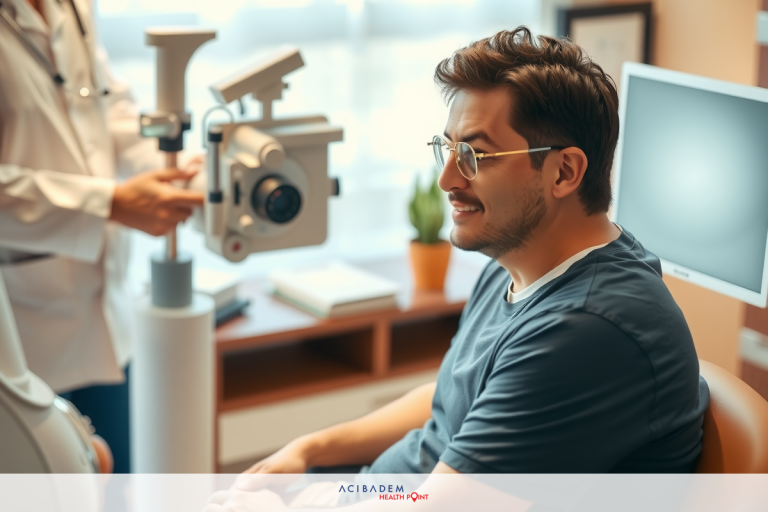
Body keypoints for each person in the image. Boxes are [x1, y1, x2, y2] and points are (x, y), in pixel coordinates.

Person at [240, 27, 709, 476]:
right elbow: (450, 398)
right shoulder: (519, 257)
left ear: (564, 172)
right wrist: (308, 450)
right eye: (446, 149)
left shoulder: (588, 332)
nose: (447, 180)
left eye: (475, 157)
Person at [0, 0, 204, 473]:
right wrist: (108, 203)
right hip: (24, 327)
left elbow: (107, 107)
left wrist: (177, 174)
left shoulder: (70, 5)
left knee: (117, 484)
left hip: (106, 317)